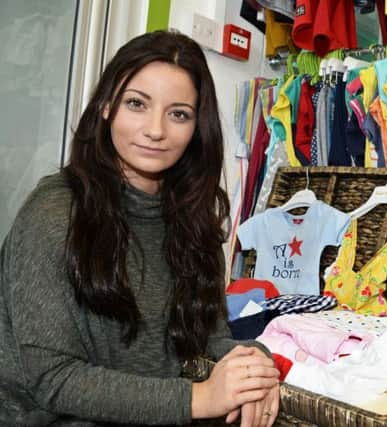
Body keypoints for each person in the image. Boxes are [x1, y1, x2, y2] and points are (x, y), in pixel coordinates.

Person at [0, 30, 280, 426]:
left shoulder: (193, 222)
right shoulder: (55, 212)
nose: (155, 129)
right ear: (107, 107)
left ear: (196, 129)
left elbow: (208, 342)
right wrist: (198, 398)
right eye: (137, 104)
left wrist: (255, 366)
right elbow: (53, 379)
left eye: (178, 113)